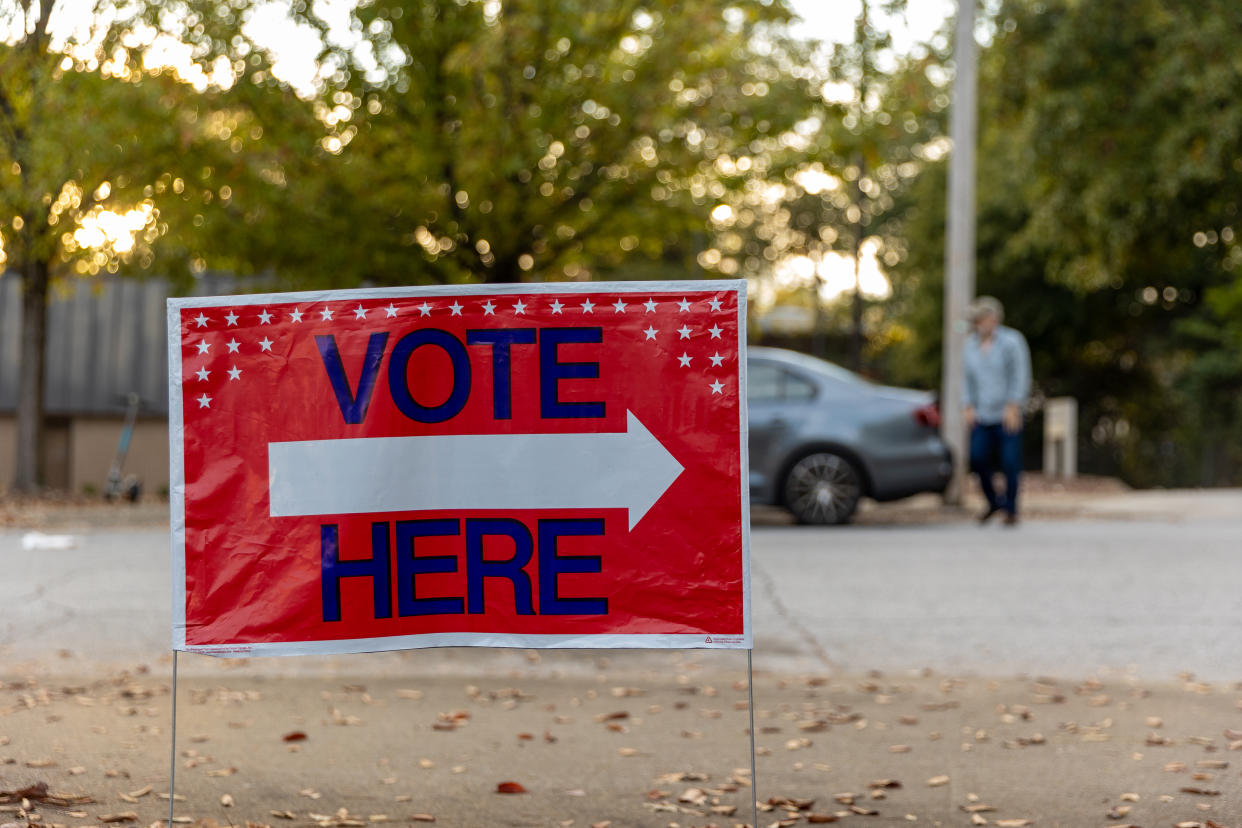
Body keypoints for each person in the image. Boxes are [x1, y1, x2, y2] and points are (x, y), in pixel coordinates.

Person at [963, 296, 1031, 526]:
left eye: (982, 318)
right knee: (977, 457)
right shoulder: (970, 346)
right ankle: (993, 502)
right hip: (982, 413)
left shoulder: (1012, 341)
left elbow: (1020, 375)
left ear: (994, 318)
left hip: (1006, 412)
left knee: (1010, 462)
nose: (979, 324)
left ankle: (1011, 510)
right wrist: (968, 406)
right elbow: (967, 380)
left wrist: (1014, 405)